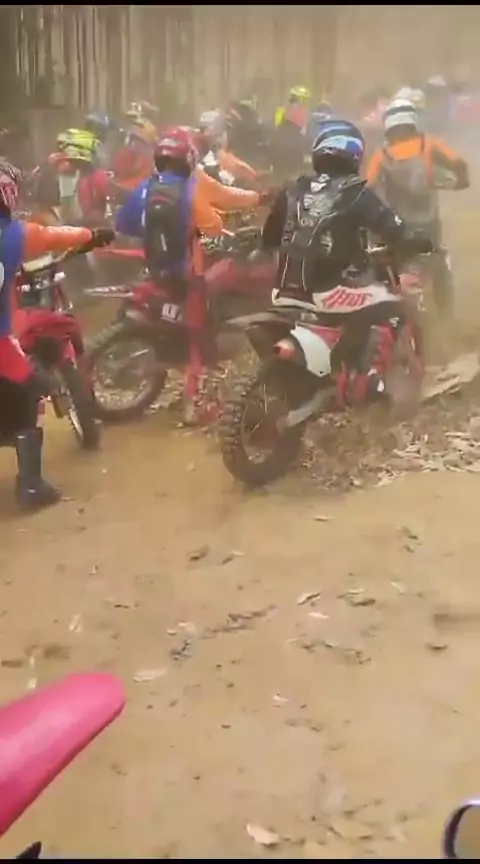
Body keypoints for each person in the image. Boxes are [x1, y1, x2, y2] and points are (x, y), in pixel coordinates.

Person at [261, 119, 434, 401]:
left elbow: (269, 238)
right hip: (330, 294)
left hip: (282, 292)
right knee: (395, 303)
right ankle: (372, 382)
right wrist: (420, 240)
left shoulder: (292, 188)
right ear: (354, 154)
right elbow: (394, 229)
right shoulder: (356, 191)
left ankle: (335, 367)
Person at [0, 160, 114, 510]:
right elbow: (58, 236)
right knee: (34, 389)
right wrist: (92, 235)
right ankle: (31, 486)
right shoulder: (14, 235)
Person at [115, 129, 226, 422]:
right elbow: (214, 227)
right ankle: (193, 405)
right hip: (185, 274)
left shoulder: (146, 186)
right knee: (200, 332)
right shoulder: (191, 189)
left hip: (154, 267)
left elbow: (124, 223)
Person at [366, 97, 469, 316]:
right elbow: (459, 163)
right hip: (428, 222)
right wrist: (461, 180)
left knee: (386, 261)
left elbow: (368, 187)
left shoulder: (381, 155)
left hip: (395, 226)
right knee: (439, 259)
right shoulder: (428, 144)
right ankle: (445, 313)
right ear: (412, 120)